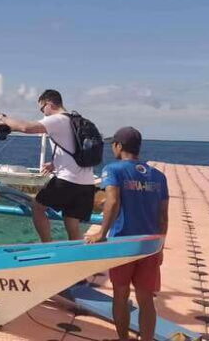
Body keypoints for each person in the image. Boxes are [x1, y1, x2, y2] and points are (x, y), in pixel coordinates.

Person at [85, 127, 168, 341]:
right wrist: (160, 245)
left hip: (123, 242)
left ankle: (123, 339)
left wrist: (102, 233)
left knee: (120, 295)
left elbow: (112, 201)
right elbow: (163, 216)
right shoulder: (159, 176)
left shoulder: (114, 169)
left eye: (113, 144)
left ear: (119, 146)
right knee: (146, 299)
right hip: (150, 244)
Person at [0, 89, 95, 241]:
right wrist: (55, 163)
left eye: (42, 109)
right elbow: (77, 150)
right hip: (87, 183)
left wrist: (2, 118)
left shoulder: (58, 119)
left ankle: (46, 244)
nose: (43, 114)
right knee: (71, 220)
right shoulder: (79, 121)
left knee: (37, 207)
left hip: (67, 181)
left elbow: (26, 127)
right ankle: (76, 254)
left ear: (49, 103)